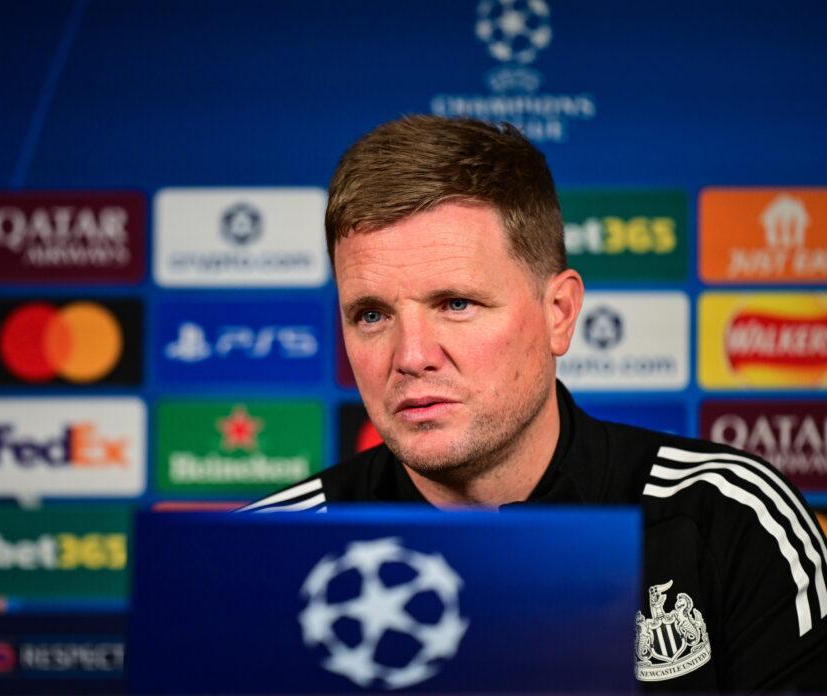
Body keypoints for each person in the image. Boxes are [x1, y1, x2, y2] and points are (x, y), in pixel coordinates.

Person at [241, 115, 827, 691]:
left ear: (559, 314)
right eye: (371, 315)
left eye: (457, 303)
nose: (411, 355)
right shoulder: (259, 556)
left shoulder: (729, 518)